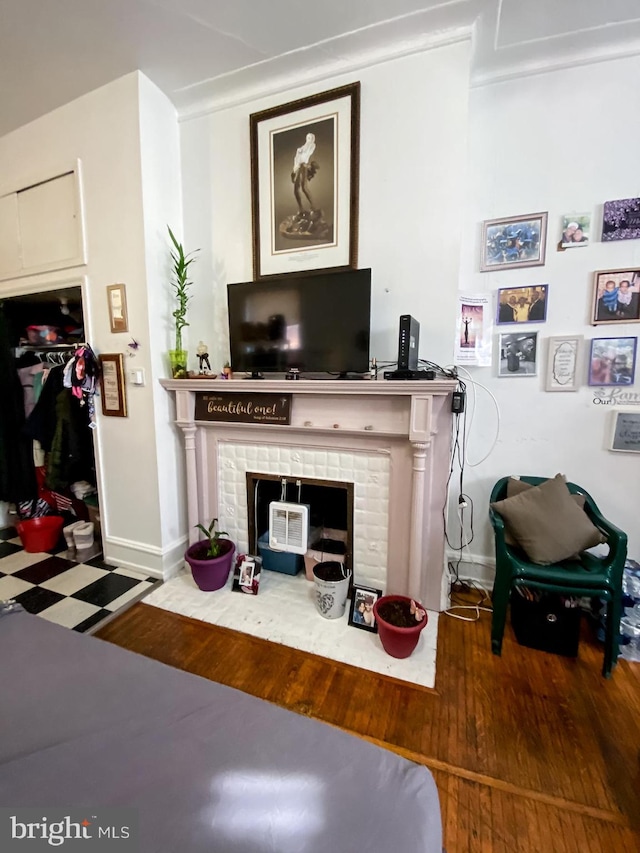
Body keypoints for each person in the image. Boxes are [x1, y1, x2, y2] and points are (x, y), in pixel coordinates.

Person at [291, 132, 318, 214]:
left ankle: (313, 206)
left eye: (310, 138)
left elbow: (307, 154)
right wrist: (294, 170)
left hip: (303, 166)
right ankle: (301, 208)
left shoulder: (311, 146)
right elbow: (296, 159)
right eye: (308, 137)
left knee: (304, 187)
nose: (309, 139)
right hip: (298, 167)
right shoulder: (302, 147)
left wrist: (301, 152)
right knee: (296, 189)